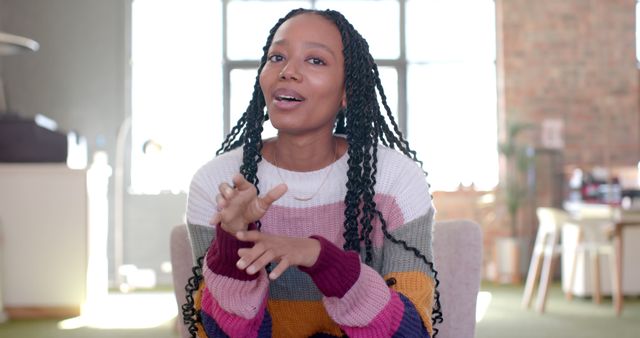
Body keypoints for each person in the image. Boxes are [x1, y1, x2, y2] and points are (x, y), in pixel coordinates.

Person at [183, 8, 442, 338]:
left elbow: (412, 333)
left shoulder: (394, 180)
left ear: (347, 91)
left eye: (316, 60)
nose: (288, 71)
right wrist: (232, 243)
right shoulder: (217, 183)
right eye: (277, 57)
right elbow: (218, 335)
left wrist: (326, 262)